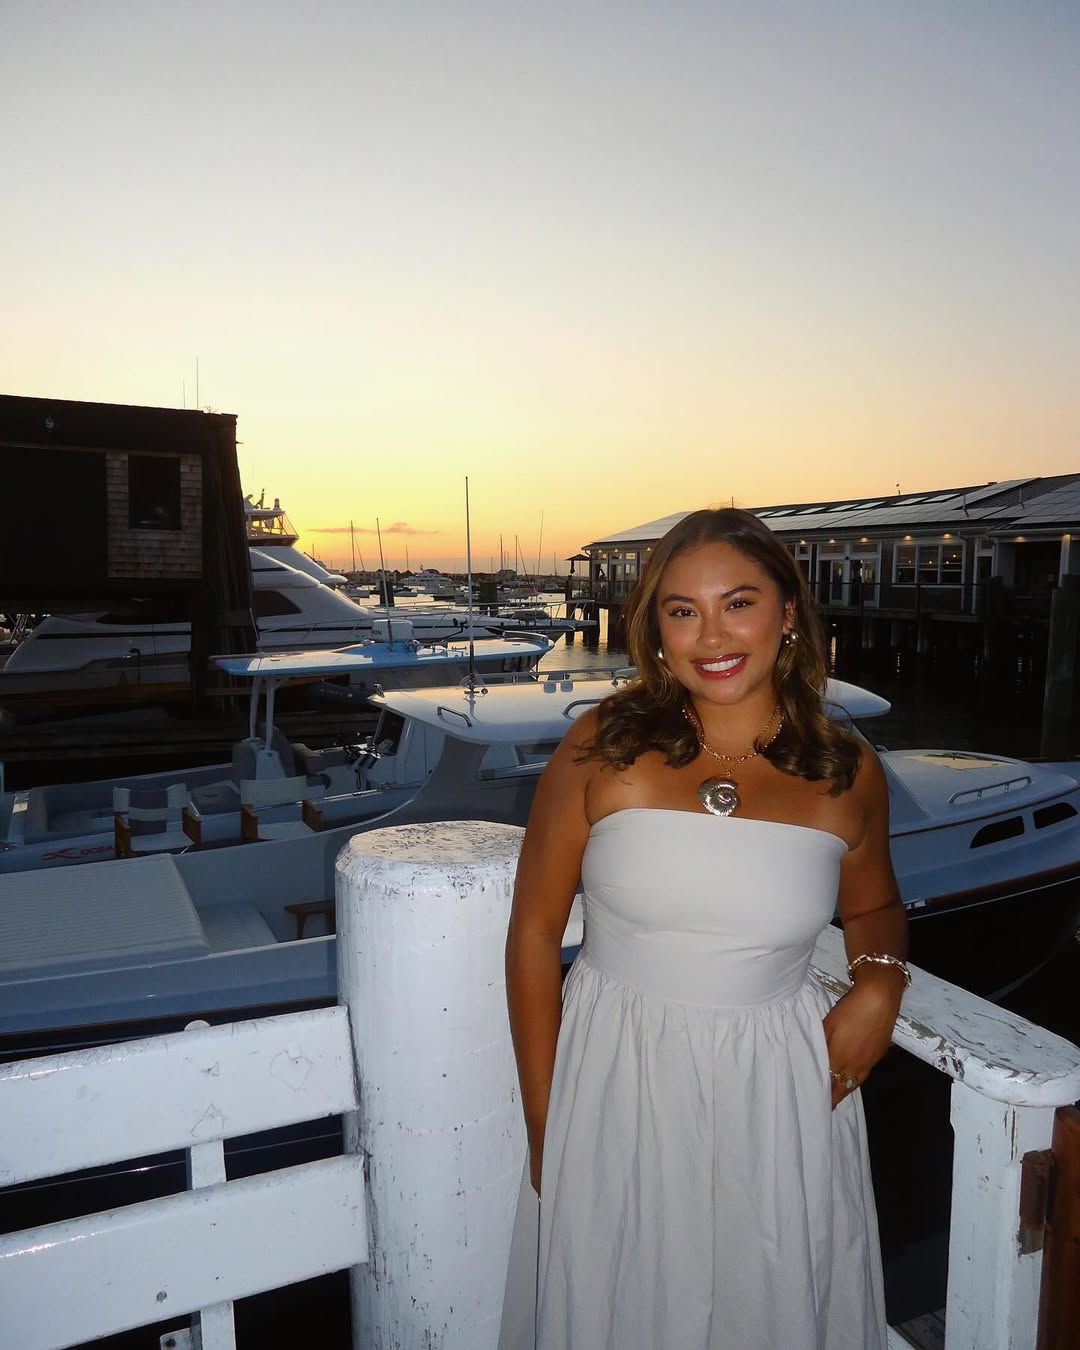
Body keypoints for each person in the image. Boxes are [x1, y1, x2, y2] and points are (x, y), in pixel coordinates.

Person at [499, 508, 908, 1350]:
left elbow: (875, 908)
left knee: (771, 1305)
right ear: (656, 629)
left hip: (781, 1093)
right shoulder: (601, 747)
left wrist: (880, 982)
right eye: (682, 611)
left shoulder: (845, 769)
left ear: (787, 613)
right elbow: (534, 936)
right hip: (620, 1082)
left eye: (739, 603)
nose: (712, 636)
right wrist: (547, 1130)